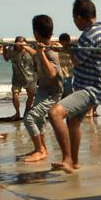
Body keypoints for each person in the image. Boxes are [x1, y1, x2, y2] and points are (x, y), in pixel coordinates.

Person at [46, 0, 101, 173]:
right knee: (73, 122)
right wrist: (71, 47)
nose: (74, 23)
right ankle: (74, 162)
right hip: (94, 86)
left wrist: (68, 48)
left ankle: (67, 158)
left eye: (74, 19)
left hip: (90, 89)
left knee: (54, 113)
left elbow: (76, 61)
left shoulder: (89, 35)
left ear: (80, 17)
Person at [18, 15, 64, 164]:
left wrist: (42, 52)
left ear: (36, 32)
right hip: (43, 90)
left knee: (29, 119)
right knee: (39, 121)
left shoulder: (50, 52)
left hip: (53, 93)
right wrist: (24, 46)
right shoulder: (41, 48)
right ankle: (41, 148)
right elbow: (35, 54)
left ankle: (41, 150)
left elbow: (51, 73)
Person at [3, 36, 38, 119]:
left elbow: (36, 57)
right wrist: (4, 48)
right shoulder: (12, 50)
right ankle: (17, 113)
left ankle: (27, 112)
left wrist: (37, 70)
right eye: (19, 43)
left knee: (31, 96)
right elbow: (6, 58)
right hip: (17, 78)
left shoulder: (30, 50)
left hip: (30, 77)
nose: (20, 45)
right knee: (15, 95)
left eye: (22, 42)